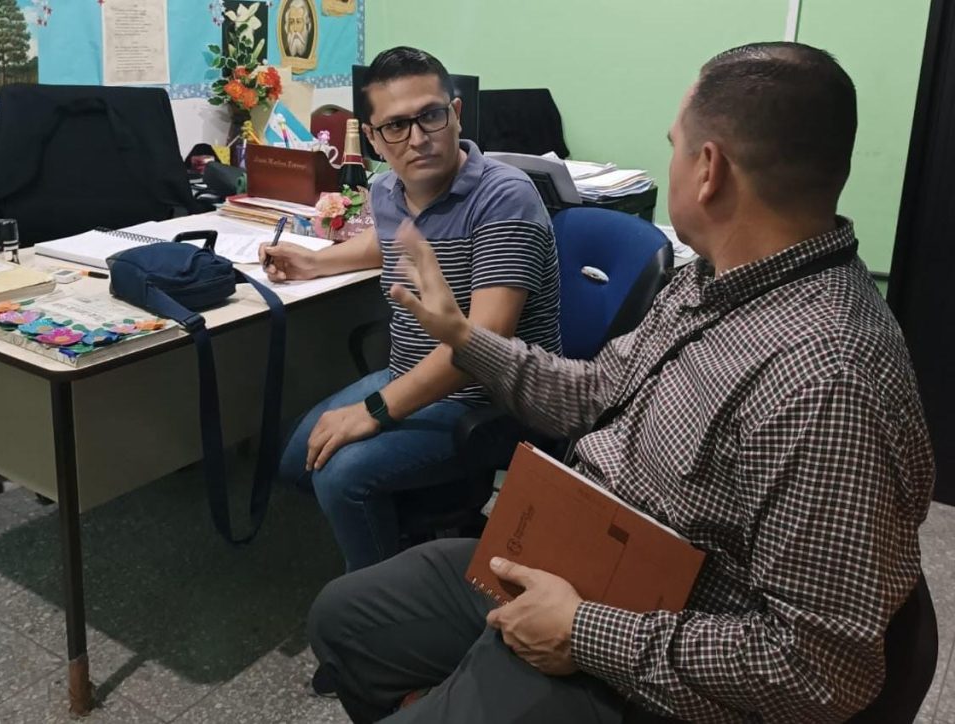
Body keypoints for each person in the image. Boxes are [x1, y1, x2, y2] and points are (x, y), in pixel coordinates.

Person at [306, 42, 935, 723]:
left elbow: (820, 670)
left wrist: (584, 632)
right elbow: (594, 390)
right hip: (581, 557)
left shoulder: (828, 377)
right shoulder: (709, 282)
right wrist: (464, 337)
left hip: (645, 651)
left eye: (674, 145)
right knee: (343, 620)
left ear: (708, 170)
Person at [262, 46, 561, 572]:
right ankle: (409, 546)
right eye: (396, 126)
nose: (418, 138)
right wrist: (315, 262)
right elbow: (392, 240)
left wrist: (375, 411)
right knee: (294, 460)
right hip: (408, 375)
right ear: (374, 139)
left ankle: (383, 604)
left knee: (341, 476)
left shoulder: (504, 197)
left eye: (431, 116)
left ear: (457, 114)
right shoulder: (388, 189)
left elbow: (485, 345)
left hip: (488, 401)